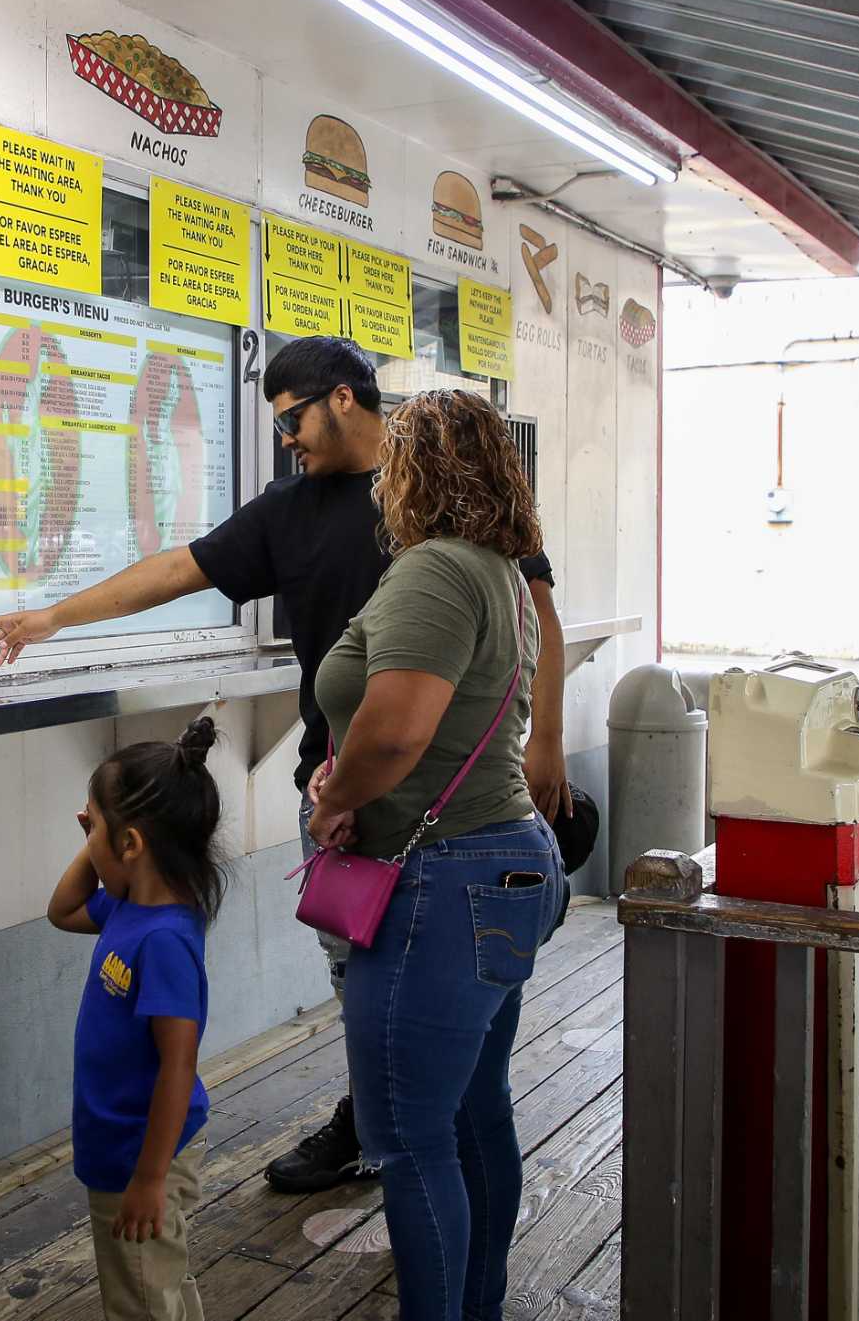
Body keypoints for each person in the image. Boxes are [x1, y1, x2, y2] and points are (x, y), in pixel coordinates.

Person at [0, 337, 569, 1192]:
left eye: (291, 418)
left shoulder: (442, 488)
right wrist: (53, 618)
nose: (285, 437)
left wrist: (546, 737)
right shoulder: (288, 510)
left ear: (343, 398)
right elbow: (180, 567)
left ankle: (410, 1144)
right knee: (360, 981)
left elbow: (534, 605)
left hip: (456, 801)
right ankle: (380, 1125)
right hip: (339, 792)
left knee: (447, 1026)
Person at [304, 389, 570, 1321]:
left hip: (443, 887)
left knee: (407, 1138)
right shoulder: (500, 570)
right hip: (501, 867)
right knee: (470, 1112)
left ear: (413, 472)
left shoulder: (435, 570)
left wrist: (335, 796)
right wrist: (348, 781)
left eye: (393, 466)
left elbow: (394, 735)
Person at [47, 716, 225, 1321]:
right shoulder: (127, 905)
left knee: (140, 1300)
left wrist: (150, 1179)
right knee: (158, 1283)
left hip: (143, 1155)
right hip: (121, 1144)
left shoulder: (166, 940)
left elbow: (179, 1065)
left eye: (92, 824)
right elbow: (62, 910)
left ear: (131, 846)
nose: (86, 835)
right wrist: (97, 840)